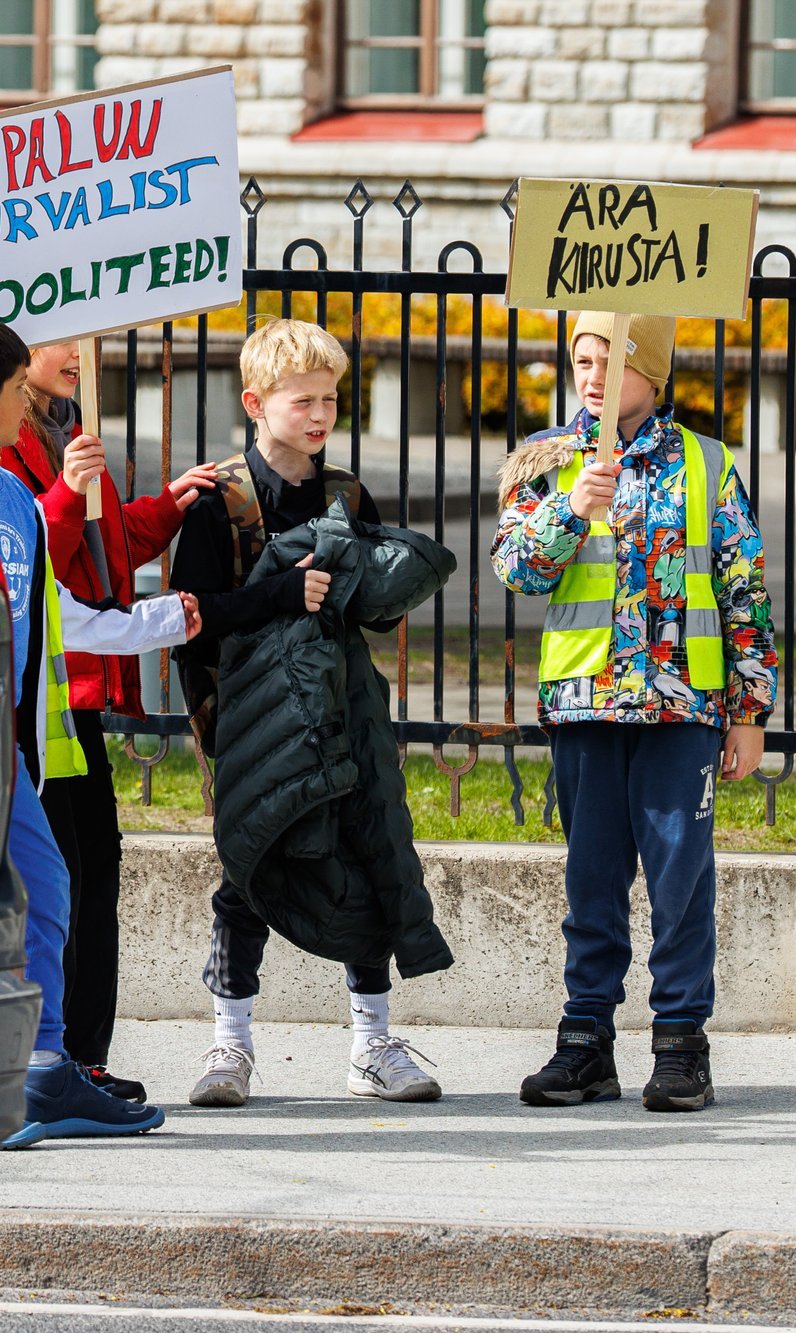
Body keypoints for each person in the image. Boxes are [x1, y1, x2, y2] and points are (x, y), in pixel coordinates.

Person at [0, 311, 203, 1147]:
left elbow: (53, 621)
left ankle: (41, 1072)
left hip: (10, 753)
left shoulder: (19, 505)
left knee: (49, 895)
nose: (28, 404)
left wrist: (150, 627)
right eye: (14, 387)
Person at [492, 311, 777, 1113]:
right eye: (581, 358)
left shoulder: (706, 464)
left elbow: (743, 589)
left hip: (680, 709)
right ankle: (585, 1041)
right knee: (591, 880)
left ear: (652, 371)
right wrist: (568, 510)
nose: (590, 374)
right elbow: (516, 569)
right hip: (585, 707)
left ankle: (682, 1042)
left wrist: (748, 710)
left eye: (611, 359)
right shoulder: (544, 460)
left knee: (681, 877)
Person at [168, 317, 447, 1108]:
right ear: (256, 402)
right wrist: (274, 603)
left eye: (330, 399)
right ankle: (231, 1042)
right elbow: (192, 615)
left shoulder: (346, 494)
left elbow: (374, 612)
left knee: (365, 854)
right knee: (247, 869)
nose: (321, 415)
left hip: (338, 710)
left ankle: (373, 1042)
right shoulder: (218, 500)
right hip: (247, 715)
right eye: (304, 401)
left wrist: (392, 578)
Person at [0, 340, 219, 1103]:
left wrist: (163, 509)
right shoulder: (7, 436)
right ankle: (55, 1056)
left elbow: (101, 542)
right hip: (44, 701)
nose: (78, 351)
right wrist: (63, 491)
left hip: (78, 703)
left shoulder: (66, 423)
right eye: (62, 335)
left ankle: (84, 1055)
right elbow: (30, 562)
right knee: (66, 877)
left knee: (97, 871)